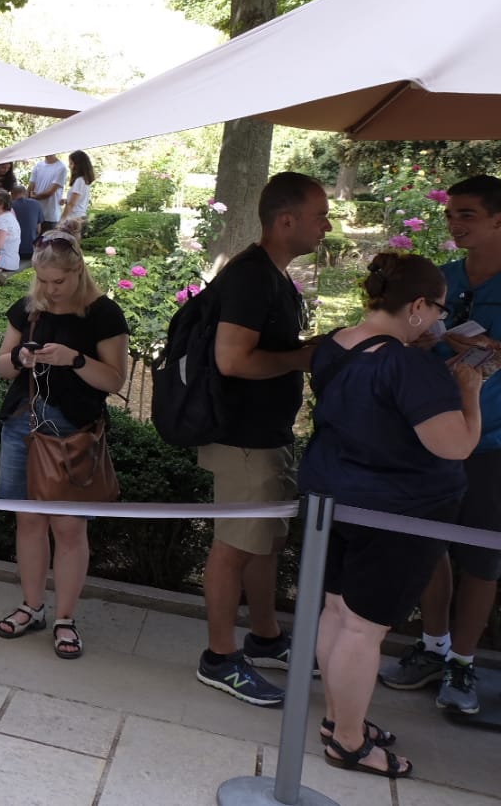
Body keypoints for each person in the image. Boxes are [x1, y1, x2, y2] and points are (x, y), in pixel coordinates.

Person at [302, 252, 481, 778]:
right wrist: (469, 392)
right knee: (363, 628)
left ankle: (340, 721)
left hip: (334, 496)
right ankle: (350, 742)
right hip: (398, 511)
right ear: (419, 306)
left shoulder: (336, 344)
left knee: (337, 612)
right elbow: (454, 446)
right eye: (440, 310)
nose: (443, 323)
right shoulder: (406, 365)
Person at [195, 171, 330, 705]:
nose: (327, 225)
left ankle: (266, 637)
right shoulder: (252, 277)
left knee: (265, 543)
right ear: (286, 220)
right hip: (243, 439)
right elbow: (232, 359)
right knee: (233, 547)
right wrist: (301, 356)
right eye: (320, 214)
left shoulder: (272, 275)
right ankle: (219, 657)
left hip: (265, 436)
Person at [383, 174, 501, 713]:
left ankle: (463, 664)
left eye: (468, 214)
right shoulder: (444, 279)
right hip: (430, 436)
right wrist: (425, 335)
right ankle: (433, 647)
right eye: (451, 213)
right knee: (427, 545)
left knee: (482, 558)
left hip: (493, 445)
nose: (454, 223)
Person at [0, 229, 127, 658]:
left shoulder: (103, 314)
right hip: (23, 427)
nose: (50, 290)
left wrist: (75, 359)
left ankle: (65, 617)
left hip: (73, 434)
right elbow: (2, 366)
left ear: (78, 272)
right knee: (28, 521)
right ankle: (33, 607)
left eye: (58, 282)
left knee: (68, 527)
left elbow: (115, 380)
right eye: (43, 282)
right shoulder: (29, 308)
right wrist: (21, 358)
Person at [29, 153, 68, 233]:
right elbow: (31, 186)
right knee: (33, 242)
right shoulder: (38, 166)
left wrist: (34, 197)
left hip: (50, 215)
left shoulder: (61, 168)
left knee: (47, 243)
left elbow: (50, 192)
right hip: (35, 213)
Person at [10, 184, 42, 266]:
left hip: (15, 251)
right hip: (32, 251)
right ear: (25, 193)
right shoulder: (36, 204)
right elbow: (38, 230)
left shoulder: (10, 206)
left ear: (12, 194)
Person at [62, 150, 95, 228]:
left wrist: (62, 220)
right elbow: (78, 200)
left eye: (71, 163)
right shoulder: (84, 180)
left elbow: (71, 204)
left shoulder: (79, 181)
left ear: (78, 165)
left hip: (74, 218)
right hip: (79, 216)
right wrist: (66, 200)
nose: (69, 166)